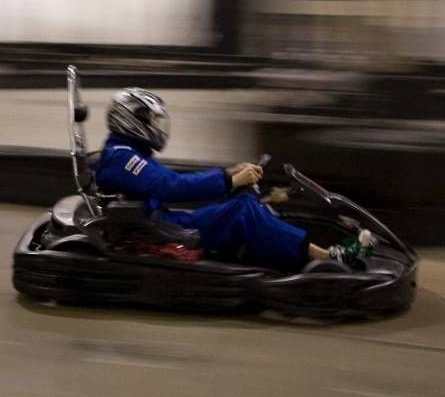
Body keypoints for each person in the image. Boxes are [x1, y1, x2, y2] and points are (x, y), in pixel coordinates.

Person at [94, 87, 374, 271]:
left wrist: (227, 173)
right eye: (151, 121)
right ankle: (326, 258)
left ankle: (285, 251)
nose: (156, 128)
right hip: (159, 228)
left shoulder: (127, 152)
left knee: (245, 202)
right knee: (243, 210)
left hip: (161, 219)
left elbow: (168, 179)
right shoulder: (121, 157)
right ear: (131, 120)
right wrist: (228, 182)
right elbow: (169, 186)